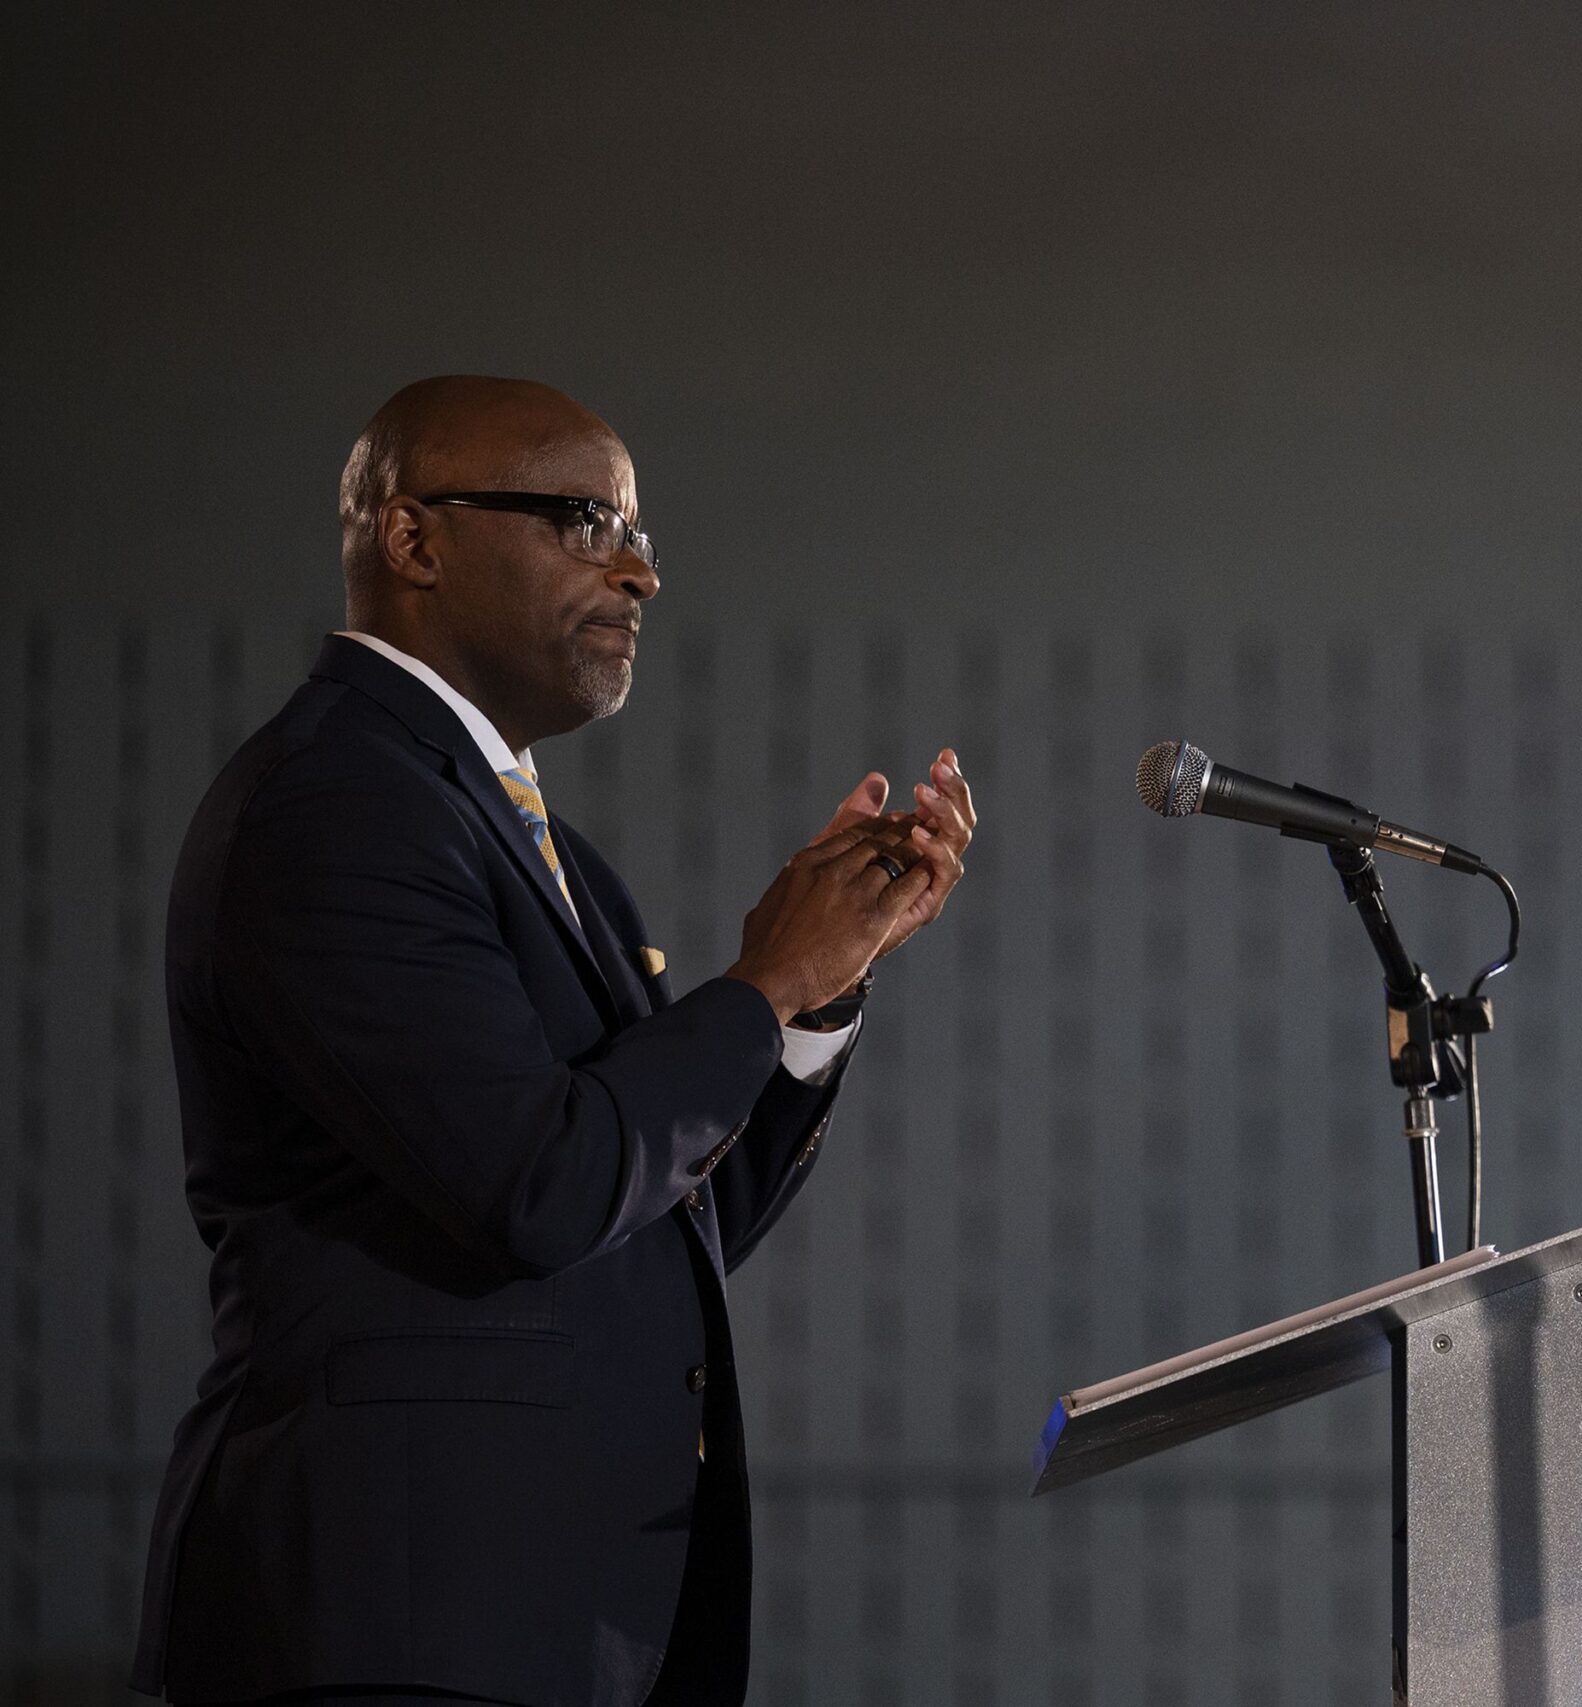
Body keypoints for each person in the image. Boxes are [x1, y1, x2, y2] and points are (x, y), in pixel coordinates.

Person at [129, 375, 977, 1706]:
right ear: (413, 541)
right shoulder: (337, 806)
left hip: (538, 1630)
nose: (637, 572)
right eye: (586, 519)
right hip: (400, 1630)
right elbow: (539, 1184)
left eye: (642, 534)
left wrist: (816, 992)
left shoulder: (536, 844)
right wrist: (762, 984)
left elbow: (650, 1225)